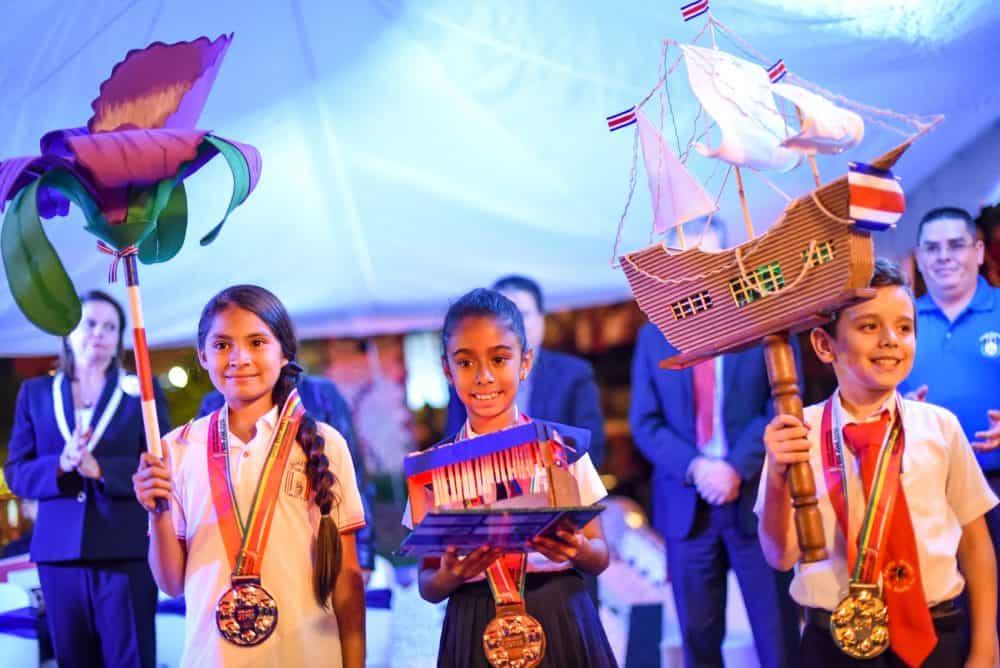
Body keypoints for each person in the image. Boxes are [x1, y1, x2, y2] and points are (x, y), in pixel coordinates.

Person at [757, 258, 998, 667]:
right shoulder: (799, 433)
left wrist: (985, 648)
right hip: (833, 642)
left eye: (904, 328)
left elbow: (976, 546)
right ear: (823, 344)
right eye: (869, 326)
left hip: (936, 637)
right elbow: (780, 557)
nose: (891, 339)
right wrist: (779, 477)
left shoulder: (940, 427)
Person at [132, 285, 366, 667]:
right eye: (222, 345)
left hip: (308, 656)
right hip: (213, 657)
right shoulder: (175, 449)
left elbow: (347, 581)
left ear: (284, 351)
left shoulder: (325, 444)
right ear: (202, 357)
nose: (240, 358)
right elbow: (171, 583)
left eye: (257, 342)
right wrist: (156, 513)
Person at [629, 219, 800, 668]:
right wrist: (698, 468)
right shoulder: (653, 336)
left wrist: (736, 466)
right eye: (681, 259)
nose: (694, 268)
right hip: (687, 506)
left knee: (778, 639)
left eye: (705, 256)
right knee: (698, 645)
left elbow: (782, 403)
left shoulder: (764, 317)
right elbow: (644, 422)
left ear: (727, 258)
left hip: (758, 502)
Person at [415, 288, 616, 667]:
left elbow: (600, 555)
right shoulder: (433, 468)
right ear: (447, 369)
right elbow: (428, 584)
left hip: (560, 615)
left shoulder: (562, 450)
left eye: (500, 359)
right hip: (473, 622)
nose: (484, 376)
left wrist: (577, 550)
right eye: (466, 362)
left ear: (525, 363)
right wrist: (450, 575)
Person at [4, 289, 169, 668]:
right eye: (90, 323)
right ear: (68, 332)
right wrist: (59, 465)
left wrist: (104, 471)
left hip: (125, 550)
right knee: (74, 660)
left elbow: (163, 464)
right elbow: (16, 472)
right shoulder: (37, 393)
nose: (99, 333)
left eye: (110, 327)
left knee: (131, 659)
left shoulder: (141, 391)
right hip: (59, 554)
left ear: (119, 340)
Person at [901, 207, 1000, 633]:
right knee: (945, 615)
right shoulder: (898, 323)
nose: (944, 256)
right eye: (932, 248)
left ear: (979, 252)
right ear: (919, 259)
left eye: (956, 245)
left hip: (996, 483)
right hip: (926, 492)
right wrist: (898, 407)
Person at [198, 375, 377, 577]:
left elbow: (354, 479)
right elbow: (204, 491)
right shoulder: (213, 404)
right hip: (237, 557)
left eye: (258, 343)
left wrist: (363, 556)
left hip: (313, 554)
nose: (243, 356)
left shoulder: (320, 395)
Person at [445, 275, 606, 468]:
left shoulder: (574, 374)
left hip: (557, 488)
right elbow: (454, 449)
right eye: (501, 317)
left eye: (523, 314)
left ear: (541, 319)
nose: (514, 325)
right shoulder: (466, 376)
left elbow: (590, 447)